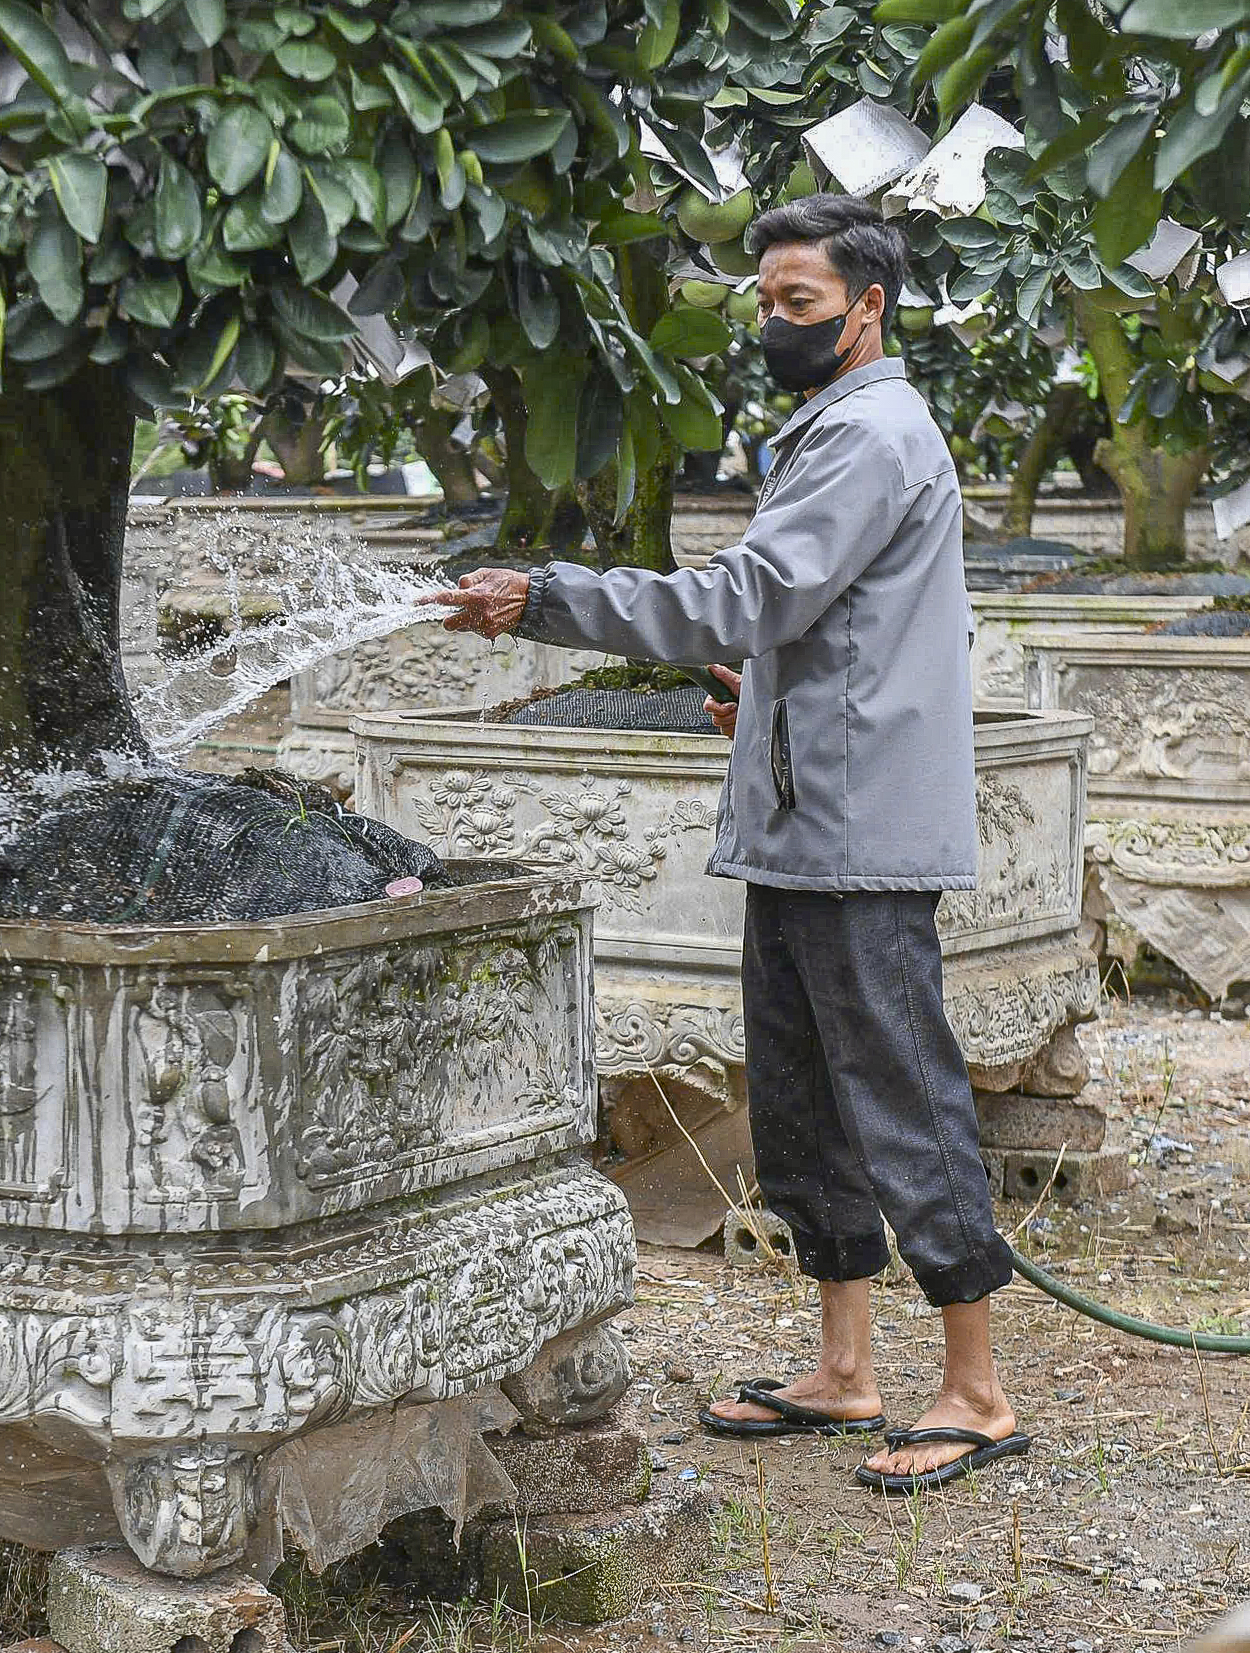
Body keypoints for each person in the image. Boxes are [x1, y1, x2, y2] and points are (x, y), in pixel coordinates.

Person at [428, 194, 1028, 1495]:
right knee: (803, 1104)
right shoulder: (833, 429)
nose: (774, 325)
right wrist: (757, 703)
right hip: (808, 826)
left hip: (861, 835)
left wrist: (551, 597)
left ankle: (976, 1390)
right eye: (762, 304)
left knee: (904, 1101)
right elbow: (821, 632)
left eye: (798, 305)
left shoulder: (871, 435)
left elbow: (754, 594)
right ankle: (847, 1370)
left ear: (866, 312)